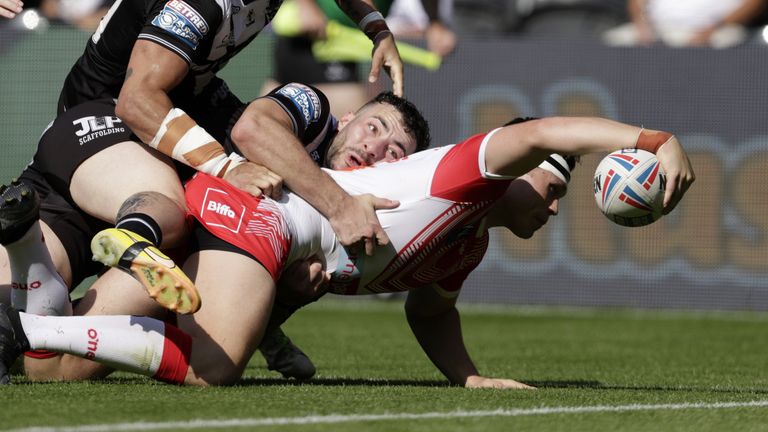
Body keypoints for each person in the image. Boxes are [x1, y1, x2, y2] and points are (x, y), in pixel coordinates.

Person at [0, 116, 695, 387]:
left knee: (54, 374)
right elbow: (543, 129)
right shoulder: (465, 172)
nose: (550, 203)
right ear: (519, 167)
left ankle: (25, 248)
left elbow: (430, 313)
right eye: (551, 183)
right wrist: (653, 142)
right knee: (212, 370)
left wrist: (468, 379)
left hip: (254, 233)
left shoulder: (467, 245)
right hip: (258, 213)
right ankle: (30, 320)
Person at [0, 83, 430, 382]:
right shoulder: (314, 112)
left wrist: (286, 300)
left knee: (49, 364)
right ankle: (134, 236)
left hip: (167, 238)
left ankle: (24, 246)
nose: (374, 147)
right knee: (164, 213)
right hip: (117, 142)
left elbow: (237, 292)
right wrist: (339, 207)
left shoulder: (352, 217)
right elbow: (252, 129)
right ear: (349, 117)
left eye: (394, 153)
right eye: (373, 128)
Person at [261, 0, 456, 117]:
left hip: (350, 36)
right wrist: (305, 3)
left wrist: (434, 22)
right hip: (314, 34)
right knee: (353, 123)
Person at [603, 0, 766, 48]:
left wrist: (713, 28)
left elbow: (755, 3)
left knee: (728, 41)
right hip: (658, 29)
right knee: (612, 41)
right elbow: (637, 3)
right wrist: (641, 24)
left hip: (717, 30)